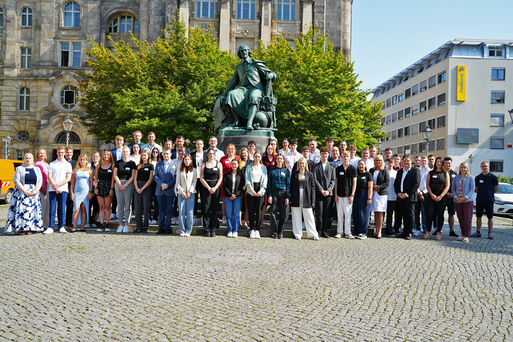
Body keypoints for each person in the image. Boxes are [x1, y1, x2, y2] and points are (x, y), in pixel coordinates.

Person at [219, 44, 277, 130]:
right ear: (239, 53)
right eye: (242, 51)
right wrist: (224, 94)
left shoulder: (255, 63)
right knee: (231, 95)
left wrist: (272, 75)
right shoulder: (238, 67)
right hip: (242, 89)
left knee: (254, 97)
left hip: (256, 88)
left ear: (249, 52)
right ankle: (237, 120)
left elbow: (271, 73)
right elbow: (233, 82)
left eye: (245, 50)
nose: (244, 52)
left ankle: (249, 123)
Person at [4, 153, 43, 235]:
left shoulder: (37, 169)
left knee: (31, 211)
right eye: (26, 158)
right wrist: (25, 191)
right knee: (22, 210)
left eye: (30, 158)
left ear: (33, 159)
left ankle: (30, 228)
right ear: (24, 159)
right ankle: (21, 228)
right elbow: (16, 181)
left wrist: (36, 190)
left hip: (33, 193)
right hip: (21, 192)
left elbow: (40, 181)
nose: (28, 160)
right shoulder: (19, 169)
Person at [45, 146, 73, 234]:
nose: (60, 154)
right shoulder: (52, 164)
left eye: (62, 152)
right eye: (58, 152)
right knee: (52, 209)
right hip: (52, 189)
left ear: (64, 153)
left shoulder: (68, 164)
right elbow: (49, 176)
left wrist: (59, 185)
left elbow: (68, 178)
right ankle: (51, 227)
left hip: (63, 189)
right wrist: (55, 186)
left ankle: (61, 226)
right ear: (56, 153)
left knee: (62, 209)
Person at [290, 157, 319, 240]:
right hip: (296, 196)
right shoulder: (294, 174)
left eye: (303, 163)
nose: (301, 165)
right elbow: (291, 186)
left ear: (305, 164)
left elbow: (313, 188)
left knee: (309, 216)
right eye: (300, 163)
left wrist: (313, 200)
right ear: (298, 164)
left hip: (307, 196)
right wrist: (291, 198)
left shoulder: (310, 174)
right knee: (296, 216)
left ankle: (313, 234)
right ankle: (298, 234)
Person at [394, 154, 420, 240]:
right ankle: (404, 232)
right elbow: (396, 184)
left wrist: (406, 194)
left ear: (411, 161)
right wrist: (398, 193)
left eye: (408, 161)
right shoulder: (400, 171)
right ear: (402, 162)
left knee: (410, 215)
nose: (406, 163)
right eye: (404, 161)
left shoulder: (415, 171)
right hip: (400, 196)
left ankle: (409, 232)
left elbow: (416, 185)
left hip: (410, 197)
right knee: (403, 215)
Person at [423, 157, 450, 241]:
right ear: (435, 163)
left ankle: (438, 233)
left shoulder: (445, 173)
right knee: (429, 214)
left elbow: (447, 186)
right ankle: (429, 232)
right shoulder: (430, 173)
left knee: (440, 215)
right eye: (437, 162)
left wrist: (441, 196)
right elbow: (427, 185)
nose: (439, 163)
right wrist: (432, 195)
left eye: (440, 162)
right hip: (431, 197)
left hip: (442, 197)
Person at [313, 147, 336, 238]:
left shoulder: (332, 167)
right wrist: (321, 190)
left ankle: (324, 230)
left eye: (326, 154)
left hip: (328, 194)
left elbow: (333, 180)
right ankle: (318, 230)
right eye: (323, 153)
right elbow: (315, 179)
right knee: (319, 213)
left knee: (327, 213)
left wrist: (328, 190)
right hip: (319, 193)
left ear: (328, 155)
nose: (324, 155)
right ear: (321, 154)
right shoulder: (316, 166)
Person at [113, 146, 136, 233]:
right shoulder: (118, 163)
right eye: (124, 152)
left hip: (128, 184)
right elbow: (115, 175)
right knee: (120, 205)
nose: (125, 153)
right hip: (119, 184)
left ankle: (126, 223)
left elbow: (133, 176)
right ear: (122, 153)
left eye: (127, 152)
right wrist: (120, 184)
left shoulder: (132, 163)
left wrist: (125, 185)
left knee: (127, 205)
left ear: (129, 153)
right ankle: (120, 224)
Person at [473, 161, 498, 239]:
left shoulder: (493, 177)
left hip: (489, 200)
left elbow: (495, 189)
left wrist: (489, 194)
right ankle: (478, 232)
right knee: (478, 216)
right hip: (480, 200)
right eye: (483, 166)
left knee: (490, 217)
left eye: (486, 166)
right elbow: (476, 189)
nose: (484, 168)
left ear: (488, 167)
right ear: (481, 167)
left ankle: (490, 233)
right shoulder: (478, 177)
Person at [334, 151, 357, 239]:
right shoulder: (338, 169)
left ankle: (347, 232)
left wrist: (352, 195)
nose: (345, 157)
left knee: (348, 215)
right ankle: (339, 232)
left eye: (347, 156)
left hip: (348, 196)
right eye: (344, 156)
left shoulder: (353, 169)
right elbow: (336, 182)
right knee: (339, 214)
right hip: (339, 195)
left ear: (349, 157)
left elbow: (354, 183)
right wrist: (335, 194)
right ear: (341, 157)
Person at [200, 149, 223, 237]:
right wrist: (209, 187)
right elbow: (201, 178)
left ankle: (213, 228)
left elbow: (220, 177)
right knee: (206, 208)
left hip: (216, 187)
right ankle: (206, 229)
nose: (211, 155)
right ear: (207, 154)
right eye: (209, 153)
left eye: (213, 153)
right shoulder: (204, 165)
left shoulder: (219, 164)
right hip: (206, 187)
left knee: (215, 208)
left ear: (215, 154)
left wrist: (215, 187)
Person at [267, 154, 290, 239]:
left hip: (283, 193)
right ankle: (274, 232)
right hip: (274, 193)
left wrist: (287, 196)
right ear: (275, 160)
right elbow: (269, 184)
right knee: (273, 213)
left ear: (283, 160)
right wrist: (269, 195)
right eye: (278, 159)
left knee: (283, 215)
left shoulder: (286, 171)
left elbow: (288, 184)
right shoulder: (272, 170)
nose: (279, 160)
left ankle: (280, 232)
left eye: (281, 159)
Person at [245, 151, 268, 239]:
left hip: (260, 189)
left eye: (259, 156)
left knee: (259, 210)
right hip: (251, 189)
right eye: (256, 156)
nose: (257, 158)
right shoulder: (249, 167)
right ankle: (251, 229)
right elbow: (247, 179)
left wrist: (260, 190)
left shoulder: (264, 168)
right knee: (251, 210)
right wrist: (252, 190)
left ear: (260, 158)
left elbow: (265, 180)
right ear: (253, 157)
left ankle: (257, 230)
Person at [154, 149, 177, 234]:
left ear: (170, 154)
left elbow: (175, 177)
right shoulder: (158, 164)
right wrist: (162, 184)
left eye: (167, 154)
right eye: (164, 154)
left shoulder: (175, 164)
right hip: (160, 190)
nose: (166, 155)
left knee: (169, 210)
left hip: (170, 190)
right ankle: (161, 227)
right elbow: (155, 176)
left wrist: (168, 185)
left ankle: (167, 227)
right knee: (161, 210)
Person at [70, 154, 93, 232]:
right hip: (77, 191)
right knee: (76, 209)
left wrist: (90, 192)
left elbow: (91, 182)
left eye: (84, 159)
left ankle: (82, 226)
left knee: (84, 208)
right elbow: (72, 183)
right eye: (81, 159)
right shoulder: (75, 170)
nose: (82, 161)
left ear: (86, 161)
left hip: (86, 191)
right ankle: (74, 226)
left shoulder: (89, 170)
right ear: (78, 161)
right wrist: (72, 193)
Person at [452, 162, 474, 243]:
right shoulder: (456, 178)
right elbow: (453, 189)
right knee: (460, 218)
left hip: (467, 201)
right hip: (457, 201)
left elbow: (472, 189)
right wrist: (455, 197)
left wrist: (465, 198)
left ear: (467, 168)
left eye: (465, 167)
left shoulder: (471, 178)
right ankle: (463, 235)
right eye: (462, 167)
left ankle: (467, 236)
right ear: (460, 168)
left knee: (467, 219)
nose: (463, 169)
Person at [176, 154, 196, 237]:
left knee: (190, 213)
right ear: (183, 160)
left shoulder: (194, 170)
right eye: (185, 159)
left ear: (191, 161)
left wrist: (190, 192)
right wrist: (182, 192)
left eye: (188, 159)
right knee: (181, 212)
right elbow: (177, 183)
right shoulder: (180, 170)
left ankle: (188, 230)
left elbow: (194, 182)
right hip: (182, 194)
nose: (187, 161)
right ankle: (182, 230)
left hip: (190, 194)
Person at [134, 150, 154, 233]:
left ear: (148, 156)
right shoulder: (138, 166)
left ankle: (145, 226)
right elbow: (135, 178)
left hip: (146, 187)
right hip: (137, 186)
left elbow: (150, 179)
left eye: (145, 155)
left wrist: (142, 188)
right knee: (137, 208)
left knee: (146, 207)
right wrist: (137, 187)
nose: (143, 157)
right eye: (142, 155)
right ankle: (139, 226)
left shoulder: (151, 166)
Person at [94, 150, 114, 231]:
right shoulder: (98, 165)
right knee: (101, 207)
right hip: (100, 186)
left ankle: (107, 224)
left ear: (110, 156)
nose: (106, 156)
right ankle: (102, 224)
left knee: (107, 207)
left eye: (107, 155)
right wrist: (95, 188)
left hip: (108, 187)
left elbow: (113, 179)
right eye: (104, 154)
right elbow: (96, 178)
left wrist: (112, 189)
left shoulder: (112, 166)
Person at [224, 159, 245, 238]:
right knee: (229, 214)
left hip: (237, 197)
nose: (234, 166)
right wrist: (230, 194)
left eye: (235, 164)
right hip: (228, 196)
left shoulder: (240, 175)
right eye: (232, 164)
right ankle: (229, 230)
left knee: (236, 215)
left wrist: (235, 194)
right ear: (231, 165)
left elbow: (242, 186)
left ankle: (235, 230)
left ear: (237, 165)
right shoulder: (227, 175)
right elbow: (225, 186)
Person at [369, 155, 389, 239]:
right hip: (373, 193)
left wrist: (378, 187)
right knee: (375, 212)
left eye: (379, 161)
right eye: (376, 160)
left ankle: (380, 230)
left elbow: (386, 183)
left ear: (381, 162)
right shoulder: (371, 170)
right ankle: (376, 229)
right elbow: (369, 180)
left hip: (381, 194)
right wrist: (372, 187)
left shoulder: (384, 170)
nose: (378, 162)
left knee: (380, 212)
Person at [353, 160, 373, 239]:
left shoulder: (368, 174)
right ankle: (357, 232)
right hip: (356, 195)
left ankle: (363, 232)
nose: (360, 166)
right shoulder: (356, 174)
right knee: (356, 214)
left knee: (363, 214)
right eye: (359, 164)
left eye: (362, 164)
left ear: (365, 165)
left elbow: (370, 187)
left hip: (364, 195)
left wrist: (369, 198)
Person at [34, 149, 49, 230]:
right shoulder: (36, 164)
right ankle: (41, 224)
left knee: (48, 207)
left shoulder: (47, 164)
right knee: (42, 207)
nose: (42, 155)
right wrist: (41, 186)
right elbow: (37, 177)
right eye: (40, 153)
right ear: (37, 155)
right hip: (41, 187)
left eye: (43, 153)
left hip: (49, 187)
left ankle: (47, 224)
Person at [443, 157, 459, 237]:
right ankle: (438, 229)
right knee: (439, 214)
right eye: (446, 163)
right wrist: (444, 194)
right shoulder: (441, 173)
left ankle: (451, 230)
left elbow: (457, 186)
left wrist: (454, 194)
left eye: (449, 163)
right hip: (442, 197)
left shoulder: (455, 174)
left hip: (452, 197)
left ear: (451, 164)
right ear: (444, 164)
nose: (448, 164)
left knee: (451, 214)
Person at [384, 158, 397, 236]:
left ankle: (389, 229)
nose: (390, 164)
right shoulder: (383, 172)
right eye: (388, 163)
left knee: (390, 214)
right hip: (383, 196)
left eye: (391, 163)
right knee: (382, 213)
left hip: (392, 196)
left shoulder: (396, 173)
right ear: (386, 164)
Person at [64, 146, 77, 227]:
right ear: (65, 153)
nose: (69, 154)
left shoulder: (76, 163)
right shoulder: (61, 162)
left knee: (70, 204)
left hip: (72, 185)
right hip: (63, 184)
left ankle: (69, 222)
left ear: (72, 153)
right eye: (67, 152)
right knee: (62, 204)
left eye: (70, 152)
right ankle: (61, 222)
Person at [238, 147, 251, 228]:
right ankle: (239, 222)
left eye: (245, 153)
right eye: (242, 153)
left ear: (248, 154)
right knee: (240, 205)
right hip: (240, 186)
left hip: (249, 186)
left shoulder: (251, 163)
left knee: (247, 205)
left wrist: (247, 184)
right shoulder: (239, 162)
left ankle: (246, 222)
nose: (244, 154)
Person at [149, 147, 162, 225]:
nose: (155, 153)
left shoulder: (160, 162)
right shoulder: (149, 161)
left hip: (157, 182)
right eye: (153, 151)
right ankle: (148, 217)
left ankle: (155, 217)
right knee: (149, 201)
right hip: (149, 182)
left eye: (156, 152)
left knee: (157, 201)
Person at [88, 151, 100, 228]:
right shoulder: (88, 165)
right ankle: (88, 221)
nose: (95, 158)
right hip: (89, 188)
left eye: (96, 156)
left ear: (99, 158)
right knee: (89, 205)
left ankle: (94, 221)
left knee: (97, 206)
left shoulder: (101, 166)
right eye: (94, 156)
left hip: (99, 188)